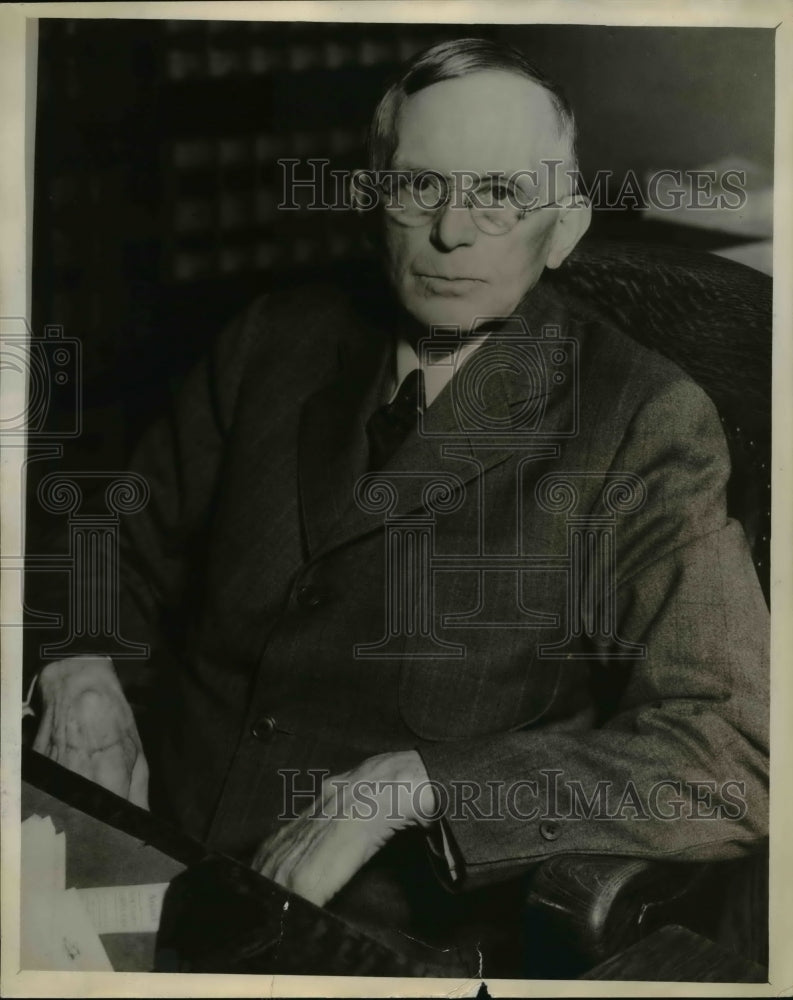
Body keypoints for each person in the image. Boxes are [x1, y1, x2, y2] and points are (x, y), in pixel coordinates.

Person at [30, 38, 769, 972]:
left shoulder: (640, 420)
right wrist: (78, 662)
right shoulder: (274, 342)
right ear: (376, 196)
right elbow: (107, 538)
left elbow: (732, 757)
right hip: (142, 860)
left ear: (568, 226)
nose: (452, 231)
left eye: (500, 194)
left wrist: (416, 787)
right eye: (420, 186)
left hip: (373, 942)